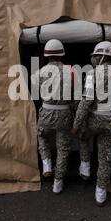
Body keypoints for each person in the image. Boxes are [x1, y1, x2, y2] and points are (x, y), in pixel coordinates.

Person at [71, 41, 111, 207]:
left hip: (94, 122)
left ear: (103, 55)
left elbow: (85, 103)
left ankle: (85, 168)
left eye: (96, 55)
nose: (94, 58)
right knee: (106, 158)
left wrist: (76, 125)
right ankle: (100, 192)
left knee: (82, 135)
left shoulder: (92, 75)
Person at [34, 39, 73, 195]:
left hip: (46, 113)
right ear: (62, 54)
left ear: (46, 55)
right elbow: (75, 96)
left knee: (42, 136)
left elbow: (35, 91)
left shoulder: (39, 72)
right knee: (63, 148)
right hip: (64, 114)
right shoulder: (71, 71)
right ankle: (58, 183)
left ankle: (47, 165)